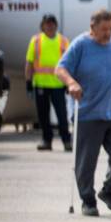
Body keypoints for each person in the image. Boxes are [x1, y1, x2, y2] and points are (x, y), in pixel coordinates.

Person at [55, 9, 111, 216]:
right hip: (89, 113)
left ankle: (109, 189)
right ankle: (88, 200)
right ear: (92, 27)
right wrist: (72, 83)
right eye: (104, 29)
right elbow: (60, 69)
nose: (108, 33)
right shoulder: (81, 45)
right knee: (86, 162)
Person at [25, 14, 72, 151]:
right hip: (41, 85)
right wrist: (28, 82)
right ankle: (47, 141)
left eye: (52, 23)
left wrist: (69, 82)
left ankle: (67, 141)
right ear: (42, 25)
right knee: (43, 116)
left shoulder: (63, 41)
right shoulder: (36, 41)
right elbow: (29, 63)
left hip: (58, 85)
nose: (50, 26)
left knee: (62, 115)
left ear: (56, 25)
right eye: (47, 23)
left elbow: (69, 63)